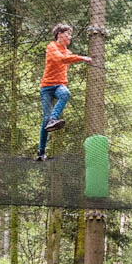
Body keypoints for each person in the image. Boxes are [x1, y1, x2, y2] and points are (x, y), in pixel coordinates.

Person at [36, 23, 92, 161]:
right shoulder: (52, 47)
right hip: (46, 87)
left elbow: (68, 58)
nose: (70, 37)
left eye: (70, 34)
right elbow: (59, 59)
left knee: (65, 93)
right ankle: (41, 152)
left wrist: (82, 59)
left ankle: (53, 119)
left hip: (59, 85)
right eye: (67, 34)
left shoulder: (68, 52)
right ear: (59, 34)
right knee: (45, 119)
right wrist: (81, 58)